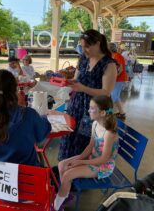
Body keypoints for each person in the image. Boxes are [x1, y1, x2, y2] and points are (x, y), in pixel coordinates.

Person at [58, 29, 117, 161]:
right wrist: (71, 82)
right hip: (77, 105)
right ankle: (67, 166)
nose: (84, 50)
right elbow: (77, 78)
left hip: (95, 109)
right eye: (82, 46)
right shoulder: (83, 58)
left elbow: (106, 92)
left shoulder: (109, 64)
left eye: (87, 46)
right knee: (70, 135)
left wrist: (82, 88)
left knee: (85, 141)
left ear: (97, 43)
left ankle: (79, 170)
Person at [53, 95, 119, 211]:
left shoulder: (109, 134)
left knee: (68, 174)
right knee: (61, 165)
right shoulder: (95, 124)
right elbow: (90, 146)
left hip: (103, 166)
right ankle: (64, 195)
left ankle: (56, 206)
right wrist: (79, 159)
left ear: (103, 113)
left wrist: (80, 162)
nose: (88, 110)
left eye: (92, 108)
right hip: (92, 158)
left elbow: (103, 159)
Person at [0, 69, 51, 166]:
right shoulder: (28, 114)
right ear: (15, 89)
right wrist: (42, 116)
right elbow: (43, 133)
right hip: (29, 177)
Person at [109, 43, 128, 120]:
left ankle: (108, 113)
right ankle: (122, 113)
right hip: (117, 79)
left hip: (119, 79)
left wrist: (113, 77)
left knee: (113, 96)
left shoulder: (117, 56)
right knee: (115, 97)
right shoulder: (112, 56)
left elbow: (120, 69)